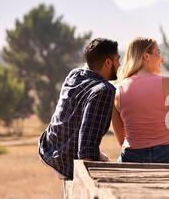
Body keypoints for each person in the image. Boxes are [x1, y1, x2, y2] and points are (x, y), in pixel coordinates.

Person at [38, 38, 120, 179]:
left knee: (105, 160)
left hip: (48, 148)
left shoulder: (75, 74)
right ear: (108, 62)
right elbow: (86, 149)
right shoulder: (104, 91)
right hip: (67, 163)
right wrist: (86, 182)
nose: (119, 64)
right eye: (118, 59)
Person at [112, 37, 169, 164]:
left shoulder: (116, 90)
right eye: (158, 53)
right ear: (146, 56)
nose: (162, 59)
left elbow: (121, 140)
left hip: (132, 157)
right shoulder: (168, 83)